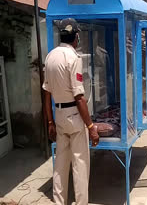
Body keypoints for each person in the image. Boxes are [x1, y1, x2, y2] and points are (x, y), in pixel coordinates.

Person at [43, 18, 100, 205]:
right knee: (80, 166)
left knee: (60, 165)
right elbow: (79, 97)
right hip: (74, 117)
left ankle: (59, 202)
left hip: (58, 116)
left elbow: (46, 94)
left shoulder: (50, 56)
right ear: (76, 37)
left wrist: (50, 122)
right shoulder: (73, 58)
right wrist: (90, 126)